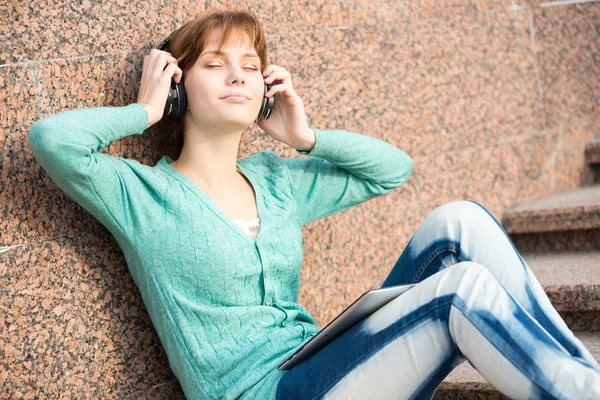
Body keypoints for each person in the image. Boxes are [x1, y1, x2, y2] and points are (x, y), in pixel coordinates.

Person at [27, 9, 600, 400]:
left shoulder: (276, 182)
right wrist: (146, 111)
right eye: (215, 63)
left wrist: (306, 138)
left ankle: (582, 380)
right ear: (179, 85)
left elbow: (393, 170)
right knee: (460, 291)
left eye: (250, 66)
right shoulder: (142, 194)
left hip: (323, 362)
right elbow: (53, 142)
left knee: (460, 222)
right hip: (264, 392)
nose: (237, 76)